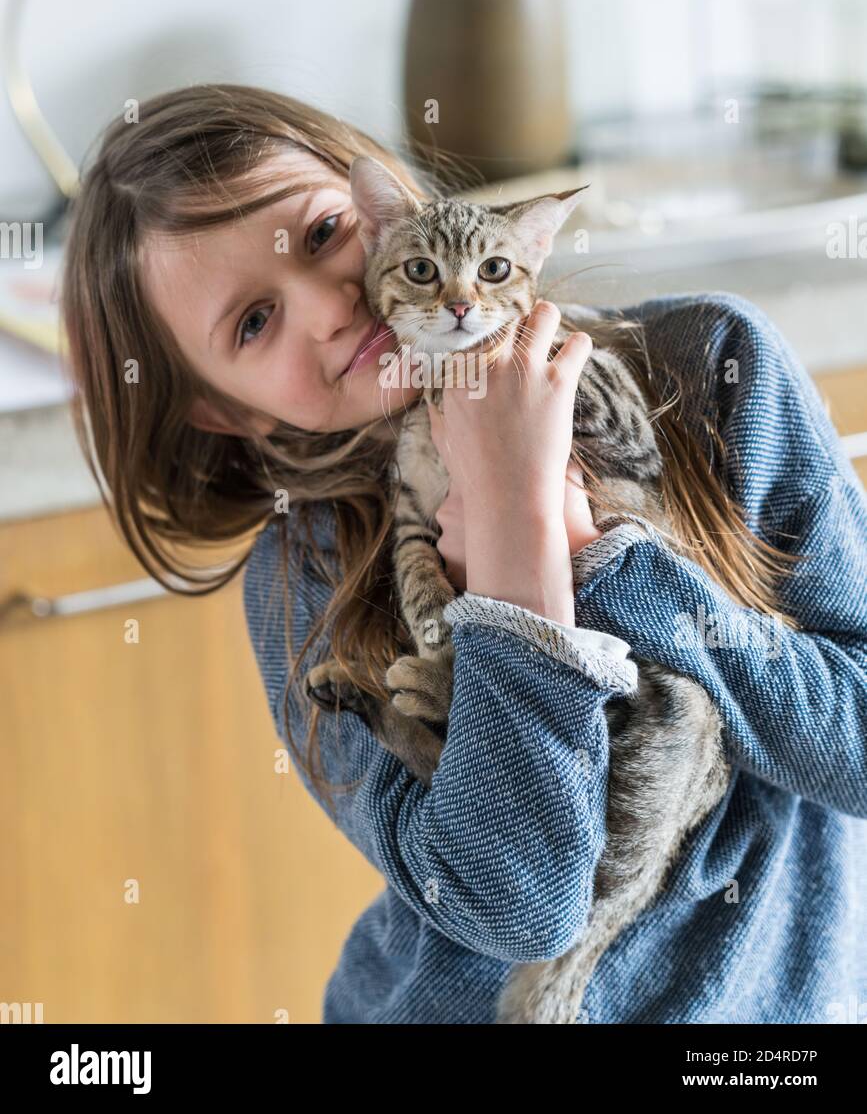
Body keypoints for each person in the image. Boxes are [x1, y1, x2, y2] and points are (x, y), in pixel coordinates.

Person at [60, 82, 867, 1024]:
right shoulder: (301, 578)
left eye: (323, 236)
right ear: (224, 411)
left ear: (383, 202)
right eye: (252, 322)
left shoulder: (708, 363)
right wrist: (517, 538)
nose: (332, 306)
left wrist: (600, 555)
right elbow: (518, 902)